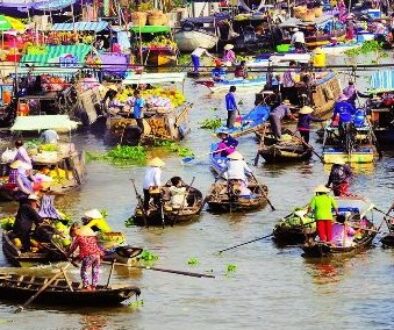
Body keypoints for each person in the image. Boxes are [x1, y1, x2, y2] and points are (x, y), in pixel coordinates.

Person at [68, 225, 103, 291]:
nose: (74, 234)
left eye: (73, 231)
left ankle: (87, 287)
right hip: (97, 255)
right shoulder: (91, 236)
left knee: (83, 271)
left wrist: (67, 254)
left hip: (89, 255)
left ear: (75, 231)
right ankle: (94, 286)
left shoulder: (79, 237)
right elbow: (93, 246)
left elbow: (73, 248)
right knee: (95, 270)